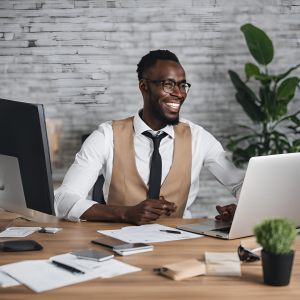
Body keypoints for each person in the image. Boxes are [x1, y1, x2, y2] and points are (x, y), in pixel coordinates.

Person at [54, 50, 244, 225]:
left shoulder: (199, 138)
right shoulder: (106, 136)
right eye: (168, 84)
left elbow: (240, 184)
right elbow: (63, 198)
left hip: (180, 241)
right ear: (144, 87)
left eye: (182, 85)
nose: (179, 94)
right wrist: (126, 213)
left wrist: (242, 209)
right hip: (115, 240)